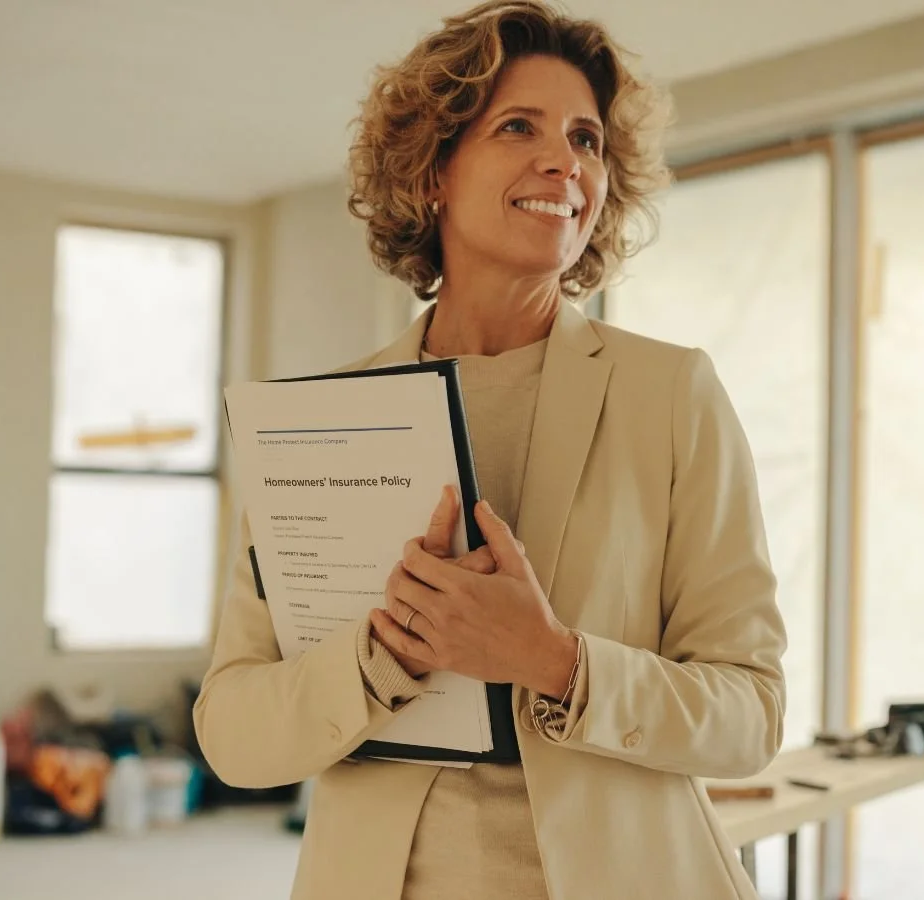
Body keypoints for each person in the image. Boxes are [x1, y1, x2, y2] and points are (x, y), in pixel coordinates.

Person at [192, 2, 786, 898]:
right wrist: (380, 655)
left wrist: (555, 661)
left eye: (586, 139)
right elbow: (234, 733)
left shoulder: (673, 395)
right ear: (433, 170)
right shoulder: (321, 421)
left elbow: (751, 714)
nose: (565, 162)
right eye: (520, 127)